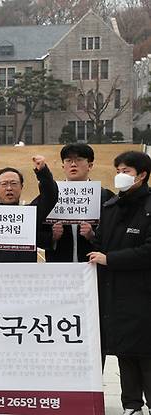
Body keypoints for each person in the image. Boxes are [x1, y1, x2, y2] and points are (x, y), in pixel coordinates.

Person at [87, 151, 151, 415]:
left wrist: (110, 259)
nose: (120, 176)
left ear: (142, 175)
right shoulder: (112, 206)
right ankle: (131, 404)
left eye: (126, 171)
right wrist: (91, 237)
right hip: (114, 291)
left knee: (146, 351)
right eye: (118, 170)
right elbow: (102, 244)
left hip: (143, 290)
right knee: (124, 350)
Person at [0, 156, 58, 263]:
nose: (9, 188)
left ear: (21, 187)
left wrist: (43, 172)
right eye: (4, 184)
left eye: (14, 184)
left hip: (25, 276)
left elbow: (50, 196)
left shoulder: (30, 215)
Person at [38, 143, 114, 263]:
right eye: (68, 160)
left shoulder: (105, 196)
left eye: (79, 160)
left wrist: (93, 236)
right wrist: (51, 237)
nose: (73, 164)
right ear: (63, 166)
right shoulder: (49, 197)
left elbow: (116, 235)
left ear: (90, 165)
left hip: (94, 268)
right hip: (59, 268)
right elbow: (35, 231)